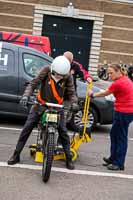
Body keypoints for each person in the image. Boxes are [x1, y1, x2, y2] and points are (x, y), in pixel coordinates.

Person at [8, 55, 79, 170]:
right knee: (27, 128)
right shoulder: (46, 70)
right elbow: (33, 83)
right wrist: (26, 96)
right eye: (57, 74)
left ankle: (68, 159)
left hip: (57, 107)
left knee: (64, 132)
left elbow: (71, 93)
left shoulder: (68, 76)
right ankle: (16, 154)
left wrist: (74, 103)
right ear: (53, 69)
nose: (59, 77)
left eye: (62, 75)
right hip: (40, 105)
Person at [88, 63, 133, 170]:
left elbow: (106, 93)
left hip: (124, 112)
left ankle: (119, 163)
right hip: (124, 111)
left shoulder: (119, 83)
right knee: (114, 134)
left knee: (121, 137)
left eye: (111, 73)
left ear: (118, 72)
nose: (109, 76)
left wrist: (92, 94)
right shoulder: (124, 79)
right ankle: (113, 158)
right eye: (108, 73)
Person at [63, 51, 92, 132]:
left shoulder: (75, 65)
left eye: (69, 61)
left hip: (69, 94)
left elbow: (83, 72)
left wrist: (88, 78)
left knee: (65, 117)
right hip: (57, 92)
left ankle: (60, 137)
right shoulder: (58, 63)